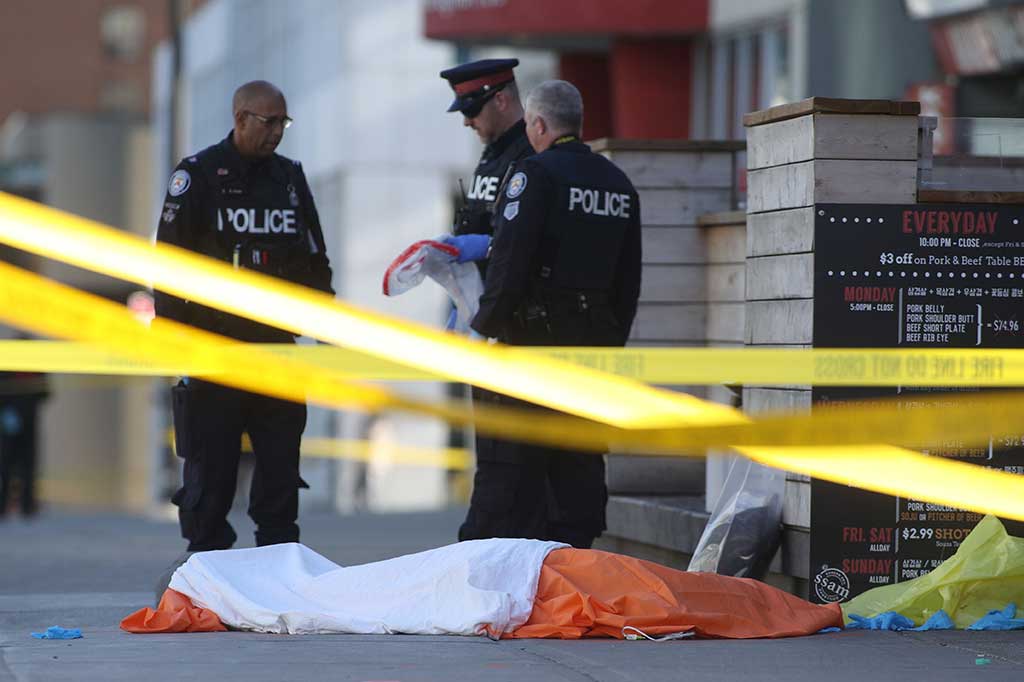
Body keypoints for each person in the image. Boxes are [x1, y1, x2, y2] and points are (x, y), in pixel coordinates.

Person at [153, 81, 334, 570]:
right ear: (240, 119)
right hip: (215, 353)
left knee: (280, 474)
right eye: (268, 121)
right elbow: (167, 266)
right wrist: (176, 335)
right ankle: (208, 573)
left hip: (278, 353)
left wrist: (328, 332)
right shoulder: (198, 177)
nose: (277, 131)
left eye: (283, 122)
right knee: (210, 478)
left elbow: (316, 264)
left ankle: (279, 573)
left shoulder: (290, 180)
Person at [460, 80, 643, 549]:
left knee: (511, 473)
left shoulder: (533, 175)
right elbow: (628, 282)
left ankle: (506, 585)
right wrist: (609, 346)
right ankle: (571, 579)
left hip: (531, 351)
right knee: (576, 472)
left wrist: (483, 330)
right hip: (591, 356)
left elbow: (510, 263)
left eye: (530, 126)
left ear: (538, 125)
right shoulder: (618, 184)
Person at [0, 368, 48, 518]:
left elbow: (44, 390)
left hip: (26, 412)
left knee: (25, 460)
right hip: (11, 410)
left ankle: (26, 504)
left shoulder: (33, 356)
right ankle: (9, 504)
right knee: (7, 460)